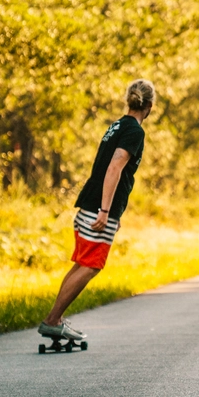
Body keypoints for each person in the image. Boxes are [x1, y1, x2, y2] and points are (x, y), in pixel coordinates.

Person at [38, 79, 155, 341]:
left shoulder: (116, 126)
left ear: (130, 100)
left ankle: (55, 319)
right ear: (149, 106)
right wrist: (106, 210)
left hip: (90, 204)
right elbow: (114, 168)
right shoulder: (135, 131)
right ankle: (52, 320)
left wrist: (113, 212)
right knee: (91, 266)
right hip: (98, 209)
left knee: (83, 263)